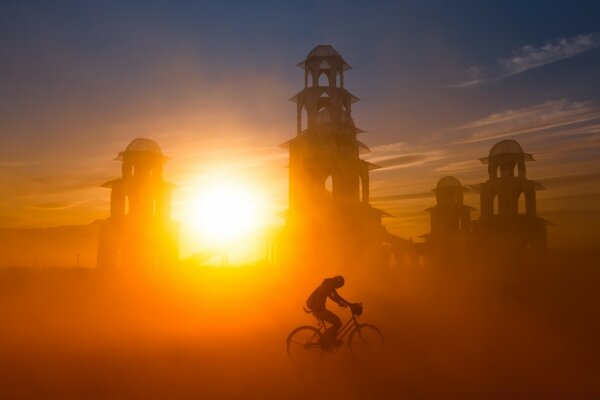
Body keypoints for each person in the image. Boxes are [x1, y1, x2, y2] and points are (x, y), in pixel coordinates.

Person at [306, 275, 357, 349]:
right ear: (337, 282)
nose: (338, 288)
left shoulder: (328, 283)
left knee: (337, 322)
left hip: (318, 309)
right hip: (319, 310)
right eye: (339, 286)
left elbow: (333, 296)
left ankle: (330, 340)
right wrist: (349, 304)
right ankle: (324, 340)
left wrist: (341, 303)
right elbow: (336, 296)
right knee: (338, 323)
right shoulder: (328, 284)